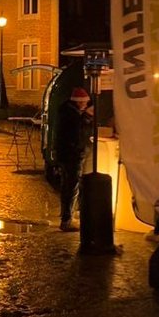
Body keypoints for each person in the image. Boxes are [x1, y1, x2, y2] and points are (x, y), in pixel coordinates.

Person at [55, 86, 94, 231]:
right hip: (73, 155)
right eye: (84, 103)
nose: (85, 105)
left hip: (65, 154)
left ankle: (66, 216)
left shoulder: (67, 111)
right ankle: (67, 220)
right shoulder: (73, 115)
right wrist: (88, 117)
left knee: (67, 186)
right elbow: (78, 132)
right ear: (79, 102)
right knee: (72, 186)